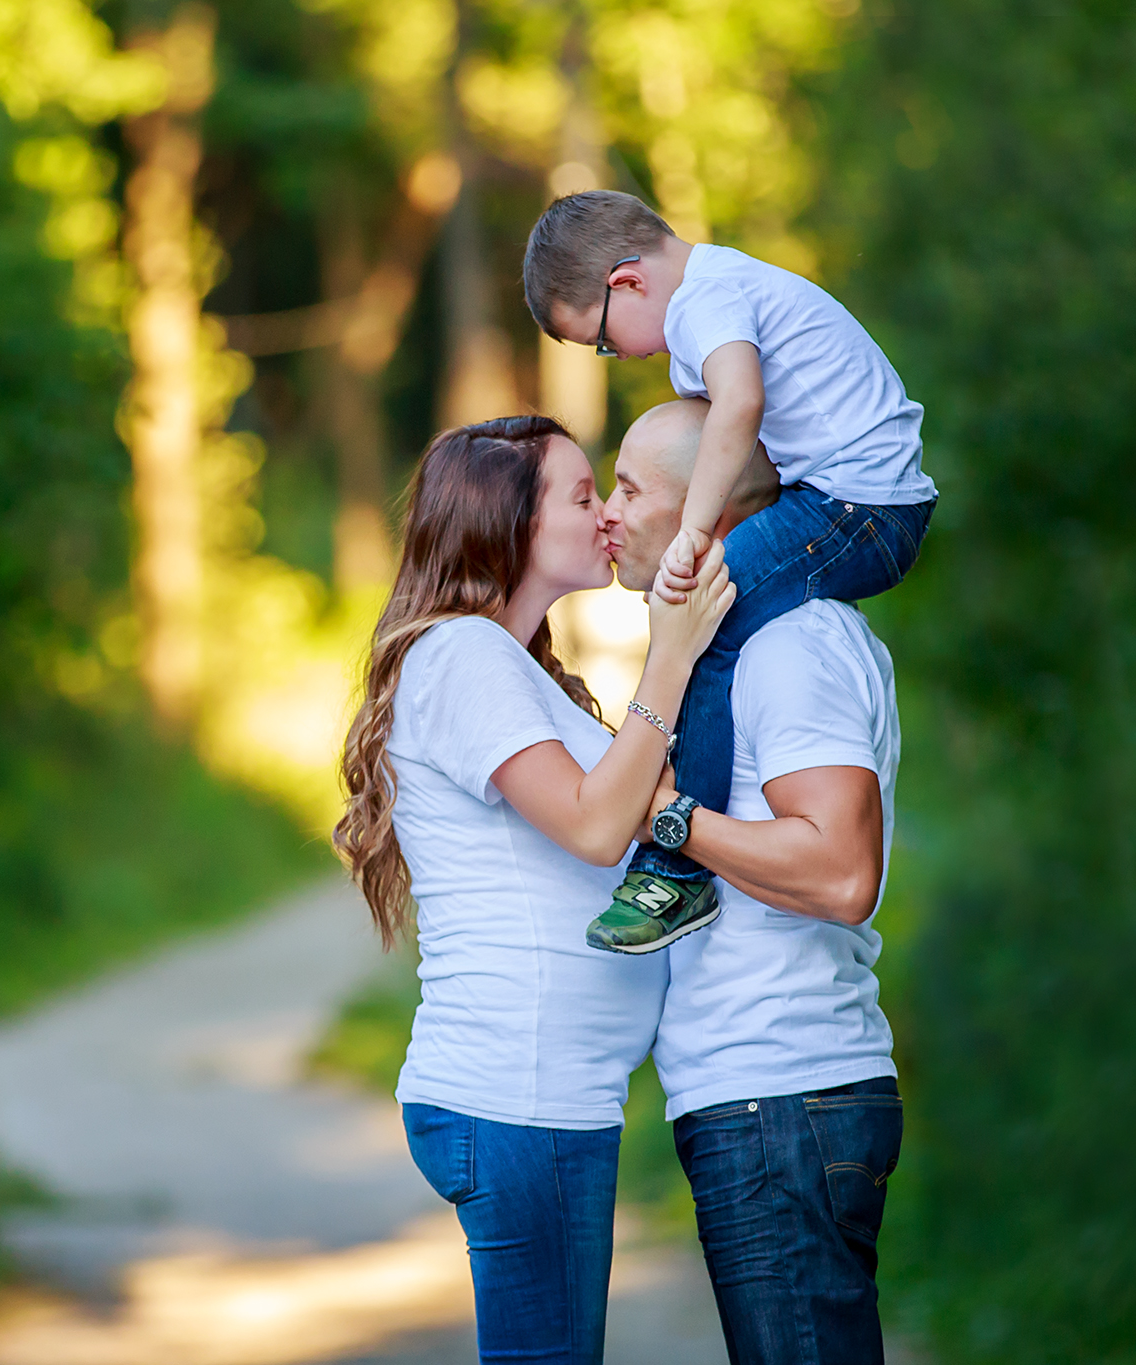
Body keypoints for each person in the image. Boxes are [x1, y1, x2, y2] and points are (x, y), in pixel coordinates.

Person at [333, 415, 732, 1365]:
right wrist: (668, 654)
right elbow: (598, 826)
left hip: (547, 1101)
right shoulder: (464, 657)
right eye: (583, 495)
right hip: (522, 1098)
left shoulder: (514, 666)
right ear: (509, 524)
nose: (604, 517)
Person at [521, 191, 938, 953]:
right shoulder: (706, 304)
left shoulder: (706, 298)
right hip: (847, 498)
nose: (622, 357)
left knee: (710, 614)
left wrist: (690, 533)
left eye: (604, 343)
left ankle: (676, 867)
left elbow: (739, 406)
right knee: (706, 607)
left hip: (865, 506)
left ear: (626, 282)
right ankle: (679, 846)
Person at [612, 399, 908, 1365]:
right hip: (767, 1097)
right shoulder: (749, 642)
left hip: (781, 1094)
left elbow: (839, 868)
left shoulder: (791, 646)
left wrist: (672, 819)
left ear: (706, 508)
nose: (609, 512)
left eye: (628, 488)